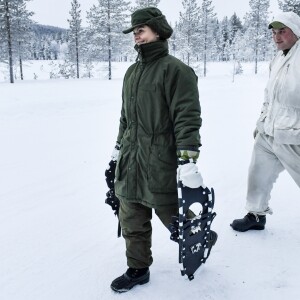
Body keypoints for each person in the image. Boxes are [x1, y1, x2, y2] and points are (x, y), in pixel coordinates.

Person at [108, 7, 204, 292]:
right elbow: (126, 116)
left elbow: (187, 115)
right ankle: (138, 268)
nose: (136, 36)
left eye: (141, 31)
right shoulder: (132, 72)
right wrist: (117, 148)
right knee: (131, 214)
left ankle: (200, 237)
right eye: (134, 32)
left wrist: (187, 158)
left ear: (158, 31)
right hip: (131, 156)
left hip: (159, 158)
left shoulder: (175, 70)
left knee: (170, 213)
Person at [231, 11, 300, 232]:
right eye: (274, 32)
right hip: (270, 132)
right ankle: (256, 214)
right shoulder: (278, 59)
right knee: (258, 173)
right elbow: (269, 97)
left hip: (294, 134)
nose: (277, 37)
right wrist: (261, 122)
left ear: (296, 32)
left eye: (283, 31)